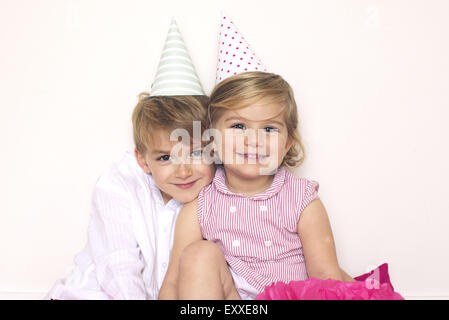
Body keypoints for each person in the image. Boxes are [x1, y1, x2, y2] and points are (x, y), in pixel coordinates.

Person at [158, 13, 353, 300]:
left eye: (269, 129)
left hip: (291, 298)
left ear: (288, 143)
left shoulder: (302, 201)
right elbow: (174, 283)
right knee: (198, 254)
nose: (254, 140)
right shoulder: (200, 208)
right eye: (238, 126)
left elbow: (326, 277)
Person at [45, 19, 215, 300]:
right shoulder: (118, 185)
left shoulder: (218, 191)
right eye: (165, 157)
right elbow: (119, 266)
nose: (184, 170)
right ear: (143, 160)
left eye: (196, 152)